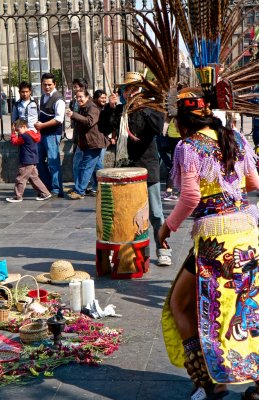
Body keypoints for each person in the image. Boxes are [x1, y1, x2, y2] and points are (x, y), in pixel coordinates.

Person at [159, 89, 259, 400]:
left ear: (183, 121)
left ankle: (211, 382)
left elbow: (190, 197)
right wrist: (229, 184)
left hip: (216, 238)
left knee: (186, 305)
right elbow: (254, 183)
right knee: (247, 307)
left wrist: (167, 226)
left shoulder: (188, 147)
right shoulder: (236, 139)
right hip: (247, 233)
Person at [112, 72, 172, 267]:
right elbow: (105, 127)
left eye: (132, 89)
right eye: (125, 89)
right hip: (126, 167)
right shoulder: (120, 110)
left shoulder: (150, 108)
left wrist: (142, 107)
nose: (128, 93)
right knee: (127, 212)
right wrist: (109, 109)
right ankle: (131, 251)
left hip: (147, 167)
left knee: (155, 213)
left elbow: (158, 128)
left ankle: (163, 249)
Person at [66, 87, 108, 199]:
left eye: (81, 97)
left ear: (87, 97)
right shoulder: (82, 107)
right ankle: (103, 188)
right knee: (97, 168)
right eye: (77, 97)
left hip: (94, 143)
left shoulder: (92, 107)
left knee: (86, 167)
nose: (79, 99)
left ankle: (79, 191)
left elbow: (89, 121)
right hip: (88, 143)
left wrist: (73, 115)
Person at [35, 72, 65, 198]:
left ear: (54, 84)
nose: (47, 87)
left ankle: (57, 189)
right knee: (39, 161)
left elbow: (59, 120)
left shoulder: (59, 99)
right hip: (42, 134)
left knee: (53, 162)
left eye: (49, 85)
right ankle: (47, 186)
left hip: (52, 134)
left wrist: (42, 125)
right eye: (44, 84)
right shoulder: (42, 98)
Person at [6, 119, 52, 203]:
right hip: (33, 160)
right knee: (34, 178)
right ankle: (45, 193)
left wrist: (13, 133)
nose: (18, 132)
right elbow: (38, 137)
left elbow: (15, 142)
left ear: (23, 127)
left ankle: (18, 196)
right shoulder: (32, 133)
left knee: (21, 178)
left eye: (18, 130)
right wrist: (38, 130)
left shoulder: (24, 136)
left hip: (26, 161)